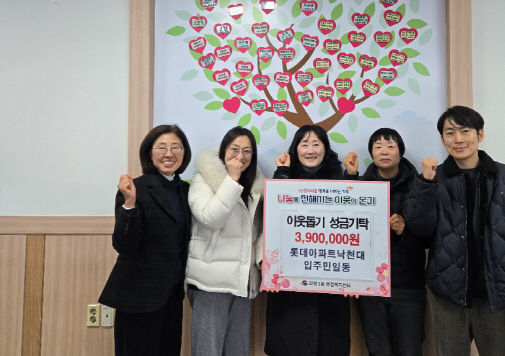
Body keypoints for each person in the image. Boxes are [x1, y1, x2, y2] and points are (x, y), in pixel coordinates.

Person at [404, 106, 505, 356]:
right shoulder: (433, 179)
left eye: (465, 131)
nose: (458, 139)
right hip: (447, 296)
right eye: (450, 133)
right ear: (442, 139)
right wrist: (425, 185)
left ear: (480, 134)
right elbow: (419, 232)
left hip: (500, 296)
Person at [99, 124, 192, 356]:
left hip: (173, 293)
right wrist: (129, 204)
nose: (169, 154)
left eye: (176, 147)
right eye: (161, 147)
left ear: (184, 152)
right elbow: (124, 245)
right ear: (149, 153)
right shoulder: (135, 188)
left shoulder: (186, 190)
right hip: (138, 294)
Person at [264, 124, 350, 356]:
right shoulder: (283, 177)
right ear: (295, 149)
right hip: (290, 283)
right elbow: (269, 221)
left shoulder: (340, 181)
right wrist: (282, 173)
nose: (310, 150)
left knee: (329, 344)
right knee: (289, 344)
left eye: (316, 144)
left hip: (330, 282)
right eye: (304, 144)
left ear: (325, 148)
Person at [343, 127, 427, 356]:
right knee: (377, 349)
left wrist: (404, 231)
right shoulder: (362, 184)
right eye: (378, 147)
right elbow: (345, 222)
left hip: (407, 285)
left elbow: (429, 235)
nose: (384, 151)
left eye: (391, 146)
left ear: (401, 151)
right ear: (372, 153)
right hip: (370, 285)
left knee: (410, 349)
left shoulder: (418, 186)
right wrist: (350, 176)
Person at [185, 126, 265, 356]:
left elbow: (258, 231)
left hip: (242, 281)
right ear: (223, 151)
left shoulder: (255, 188)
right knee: (207, 350)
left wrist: (261, 260)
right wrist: (232, 179)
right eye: (234, 149)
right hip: (210, 282)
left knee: (237, 350)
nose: (241, 156)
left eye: (247, 151)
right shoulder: (202, 180)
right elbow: (211, 219)